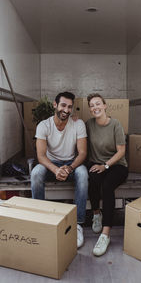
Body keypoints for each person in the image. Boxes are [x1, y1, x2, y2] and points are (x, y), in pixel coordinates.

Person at [31, 91, 88, 248]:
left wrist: (69, 168)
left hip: (71, 163)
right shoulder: (43, 125)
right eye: (63, 105)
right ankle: (40, 219)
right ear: (55, 105)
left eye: (70, 107)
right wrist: (56, 170)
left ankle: (78, 224)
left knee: (83, 173)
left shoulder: (78, 124)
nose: (66, 110)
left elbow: (82, 153)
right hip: (50, 164)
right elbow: (41, 156)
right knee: (36, 173)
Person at [86, 93, 128, 256]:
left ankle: (105, 234)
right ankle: (96, 214)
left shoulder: (115, 124)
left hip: (116, 165)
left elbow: (122, 151)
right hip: (96, 163)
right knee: (92, 179)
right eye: (92, 105)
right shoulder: (88, 124)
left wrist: (105, 165)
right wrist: (73, 119)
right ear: (90, 110)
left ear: (104, 106)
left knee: (107, 186)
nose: (95, 107)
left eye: (98, 104)